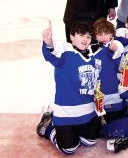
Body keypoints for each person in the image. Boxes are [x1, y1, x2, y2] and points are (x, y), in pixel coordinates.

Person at [37, 21, 104, 155]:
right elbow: (52, 49)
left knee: (91, 141)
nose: (85, 39)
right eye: (81, 35)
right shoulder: (65, 52)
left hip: (88, 113)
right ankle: (49, 124)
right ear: (72, 37)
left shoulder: (93, 58)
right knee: (69, 148)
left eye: (88, 36)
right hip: (66, 113)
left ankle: (76, 131)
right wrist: (48, 41)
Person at [91, 18, 125, 123]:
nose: (103, 37)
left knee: (115, 124)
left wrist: (113, 49)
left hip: (113, 91)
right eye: (99, 34)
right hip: (97, 93)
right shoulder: (91, 49)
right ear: (95, 35)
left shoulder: (116, 44)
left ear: (111, 34)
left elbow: (117, 50)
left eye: (106, 33)